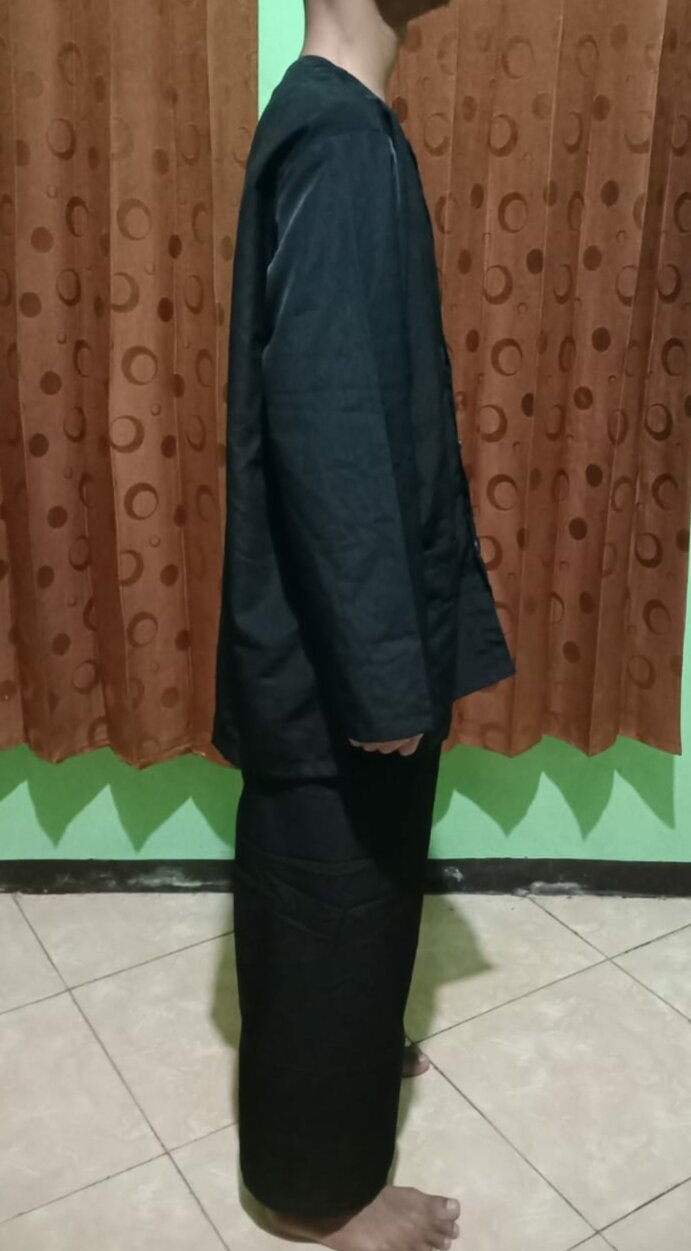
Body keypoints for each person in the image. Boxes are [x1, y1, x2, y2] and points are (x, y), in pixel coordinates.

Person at [212, 0, 515, 1246]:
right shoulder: (337, 142)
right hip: (337, 657)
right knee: (331, 899)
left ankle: (341, 1051)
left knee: (349, 886)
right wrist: (385, 677)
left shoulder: (339, 122)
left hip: (339, 632)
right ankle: (321, 1195)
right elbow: (327, 429)